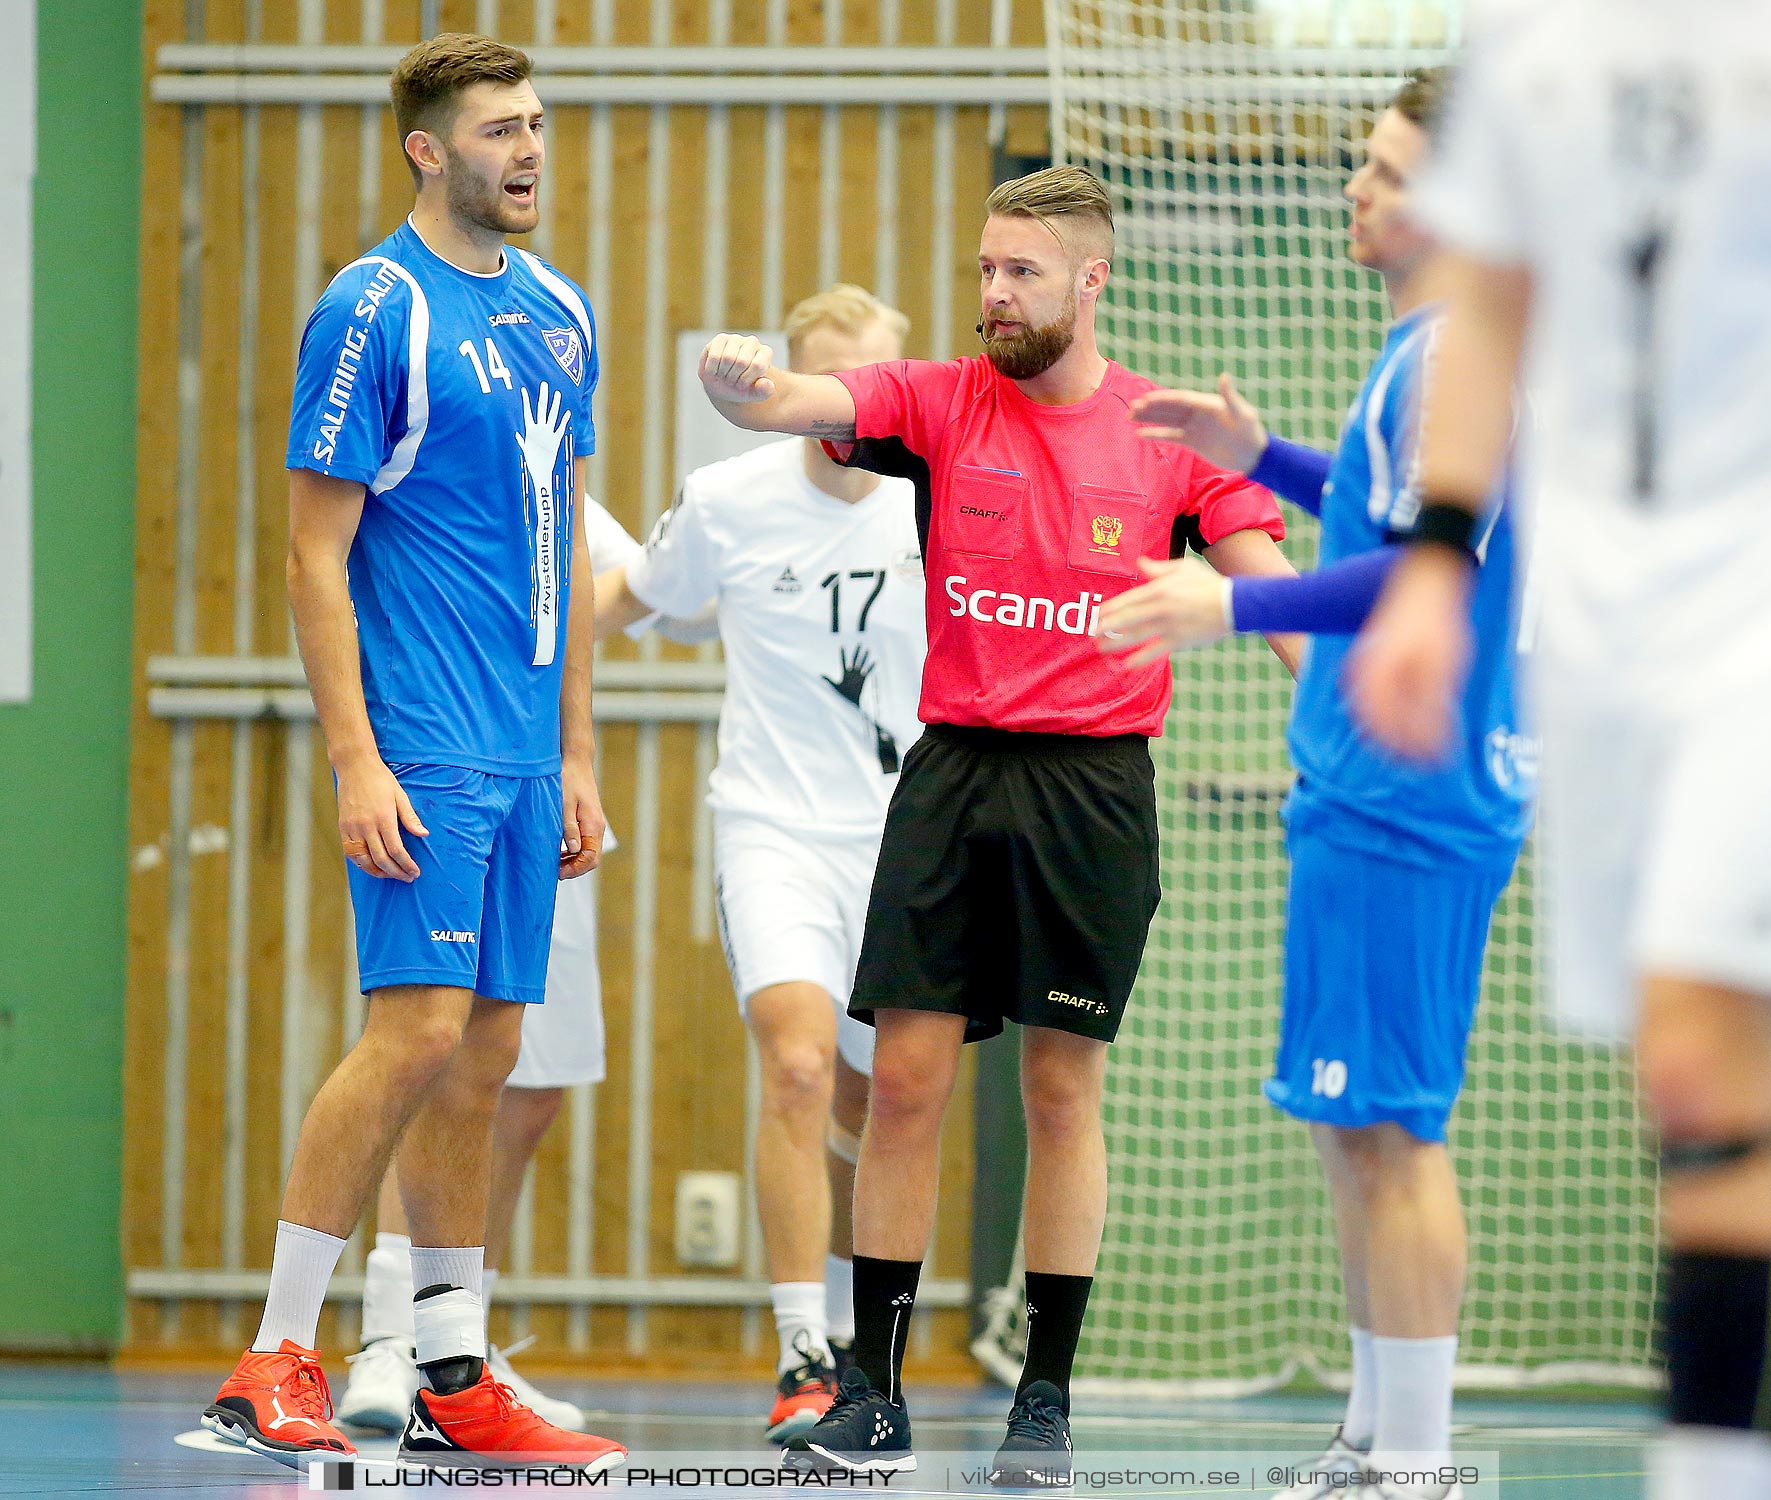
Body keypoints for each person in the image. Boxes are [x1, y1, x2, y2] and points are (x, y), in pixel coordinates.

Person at [697, 167, 1296, 1480]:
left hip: (1093, 790)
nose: (993, 295)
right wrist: (740, 382)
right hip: (953, 773)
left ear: (1092, 281)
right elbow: (804, 400)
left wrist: (1349, 721)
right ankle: (873, 1383)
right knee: (903, 1080)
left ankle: (1047, 1395)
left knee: (1059, 1088)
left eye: (1020, 272)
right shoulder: (936, 397)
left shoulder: (1165, 431)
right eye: (983, 269)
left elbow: (1276, 599)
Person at [1346, 9, 1771, 1499]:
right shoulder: (1538, 55)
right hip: (1614, 629)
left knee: (1714, 1037)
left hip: (1767, 593)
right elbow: (1493, 311)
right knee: (1688, 1069)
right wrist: (1429, 563)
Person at [1098, 71, 1531, 1500]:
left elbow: (1427, 562)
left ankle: (1415, 1461)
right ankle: (1373, 1435)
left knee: (1394, 1128)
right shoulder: (1419, 356)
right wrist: (1260, 458)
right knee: (1356, 1122)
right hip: (1373, 788)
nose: (1358, 189)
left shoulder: (1457, 349)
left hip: (1411, 792)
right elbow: (1376, 498)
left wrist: (1231, 609)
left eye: (1390, 172)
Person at [199, 33, 623, 1476]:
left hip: (521, 743)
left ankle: (451, 1366)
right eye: (500, 129)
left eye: (540, 125)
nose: (529, 151)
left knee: (489, 1049)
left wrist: (575, 746)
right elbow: (315, 552)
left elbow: (560, 537)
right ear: (425, 149)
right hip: (424, 738)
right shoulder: (369, 309)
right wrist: (351, 758)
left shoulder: (561, 311)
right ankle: (273, 1355)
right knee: (419, 1031)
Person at [592, 284, 924, 1445]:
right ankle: (799, 1349)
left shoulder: (943, 502)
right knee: (794, 1065)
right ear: (784, 392)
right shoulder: (729, 502)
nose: (838, 413)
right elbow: (620, 602)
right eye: (815, 389)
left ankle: (851, 1329)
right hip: (774, 831)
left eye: (862, 389)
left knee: (878, 1098)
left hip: (907, 840)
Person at [340, 497, 713, 1436]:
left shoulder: (562, 478)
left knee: (527, 1079)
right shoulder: (437, 467)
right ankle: (390, 1334)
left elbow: (674, 607)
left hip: (544, 795)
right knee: (432, 1054)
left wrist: (695, 542)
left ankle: (454, 1336)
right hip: (450, 775)